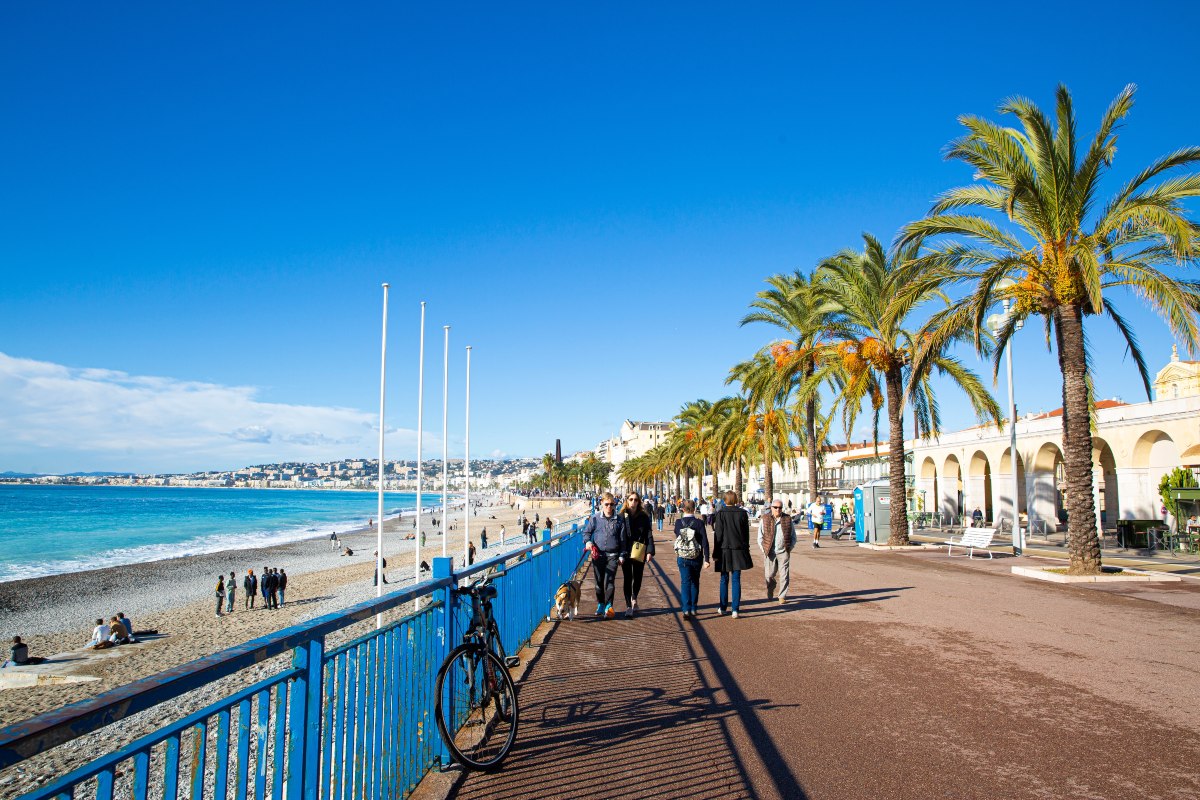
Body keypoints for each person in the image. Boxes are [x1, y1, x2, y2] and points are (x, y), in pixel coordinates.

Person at [581, 491, 628, 619]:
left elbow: (623, 540)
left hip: (613, 555)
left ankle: (609, 606)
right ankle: (601, 603)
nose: (609, 507)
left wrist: (622, 555)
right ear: (601, 503)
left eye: (611, 504)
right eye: (606, 504)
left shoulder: (619, 520)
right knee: (599, 582)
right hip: (598, 555)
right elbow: (586, 533)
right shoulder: (595, 518)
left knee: (610, 581)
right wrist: (588, 542)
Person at [713, 490, 753, 618]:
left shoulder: (720, 514)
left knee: (724, 579)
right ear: (735, 500)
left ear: (725, 500)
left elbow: (718, 534)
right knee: (736, 579)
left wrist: (715, 552)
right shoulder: (742, 513)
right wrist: (746, 548)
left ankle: (723, 607)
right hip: (738, 549)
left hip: (724, 549)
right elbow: (746, 534)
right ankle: (735, 609)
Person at [673, 500, 710, 619]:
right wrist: (707, 559)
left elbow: (677, 536)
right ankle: (694, 608)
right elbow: (704, 541)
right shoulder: (699, 523)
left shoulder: (679, 522)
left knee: (685, 582)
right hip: (696, 556)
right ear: (694, 509)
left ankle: (686, 609)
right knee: (695, 582)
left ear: (683, 509)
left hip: (683, 556)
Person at [621, 492, 655, 618]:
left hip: (639, 549)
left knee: (638, 577)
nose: (633, 502)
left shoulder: (644, 517)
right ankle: (628, 606)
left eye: (636, 500)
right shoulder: (622, 516)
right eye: (631, 499)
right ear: (627, 501)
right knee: (627, 578)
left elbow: (649, 534)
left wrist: (650, 551)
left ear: (639, 502)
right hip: (625, 550)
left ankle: (634, 596)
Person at [759, 498, 796, 603]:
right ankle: (770, 588)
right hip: (769, 552)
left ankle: (782, 596)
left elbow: (793, 536)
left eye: (780, 508)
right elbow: (760, 537)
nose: (778, 510)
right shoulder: (765, 519)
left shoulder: (787, 519)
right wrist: (764, 549)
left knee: (784, 574)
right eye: (775, 507)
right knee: (769, 575)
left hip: (783, 551)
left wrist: (789, 548)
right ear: (771, 508)